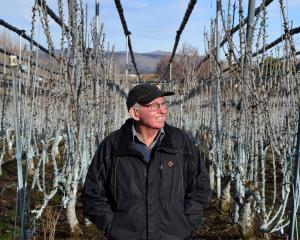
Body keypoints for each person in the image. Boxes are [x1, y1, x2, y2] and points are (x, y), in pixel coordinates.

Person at [83, 83, 211, 240]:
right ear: (135, 113)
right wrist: (113, 228)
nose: (163, 110)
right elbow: (93, 194)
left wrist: (188, 225)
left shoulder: (180, 142)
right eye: (154, 106)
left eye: (163, 104)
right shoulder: (113, 146)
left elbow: (200, 185)